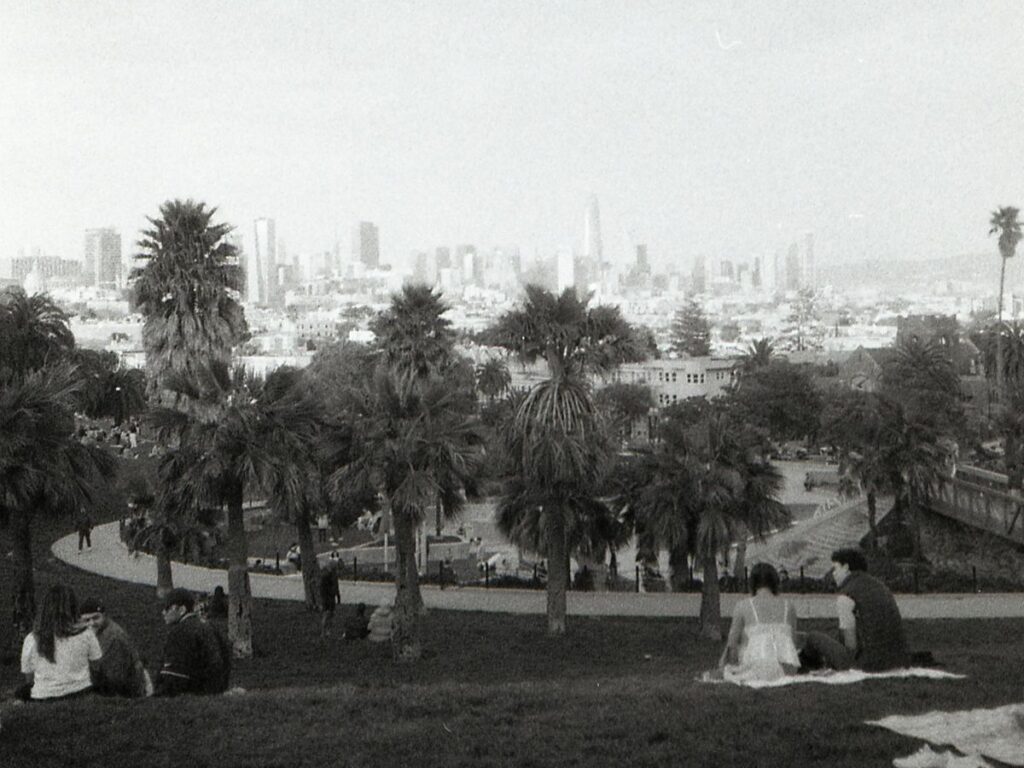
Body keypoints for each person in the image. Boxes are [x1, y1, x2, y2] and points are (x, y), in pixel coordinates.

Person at [799, 548, 909, 672]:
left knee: (812, 637)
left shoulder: (846, 596)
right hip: (898, 660)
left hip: (868, 665)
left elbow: (851, 646)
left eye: (835, 568)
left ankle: (807, 668)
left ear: (846, 567)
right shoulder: (881, 587)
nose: (833, 574)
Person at [718, 563, 800, 684]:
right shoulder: (789, 606)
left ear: (752, 583)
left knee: (741, 638)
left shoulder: (743, 606)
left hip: (755, 664)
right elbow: (793, 642)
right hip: (787, 668)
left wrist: (731, 665)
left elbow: (732, 645)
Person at [18, 584, 102, 701]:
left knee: (21, 692)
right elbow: (96, 666)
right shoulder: (86, 633)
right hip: (81, 691)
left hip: (43, 696)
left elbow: (29, 678)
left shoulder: (31, 639)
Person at [154, 588, 231, 696]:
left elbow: (173, 679)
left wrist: (155, 697)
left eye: (167, 608)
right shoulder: (211, 627)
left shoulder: (180, 632)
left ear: (181, 610)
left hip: (194, 696)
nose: (163, 612)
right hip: (217, 693)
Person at [79, 597, 149, 697]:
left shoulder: (113, 638)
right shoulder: (96, 633)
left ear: (104, 615)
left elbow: (114, 678)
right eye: (86, 620)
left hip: (127, 695)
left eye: (96, 618)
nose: (91, 623)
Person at [319, 560, 341, 638]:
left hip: (331, 597)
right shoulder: (326, 576)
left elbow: (336, 587)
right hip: (327, 598)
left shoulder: (333, 575)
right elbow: (322, 589)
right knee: (327, 614)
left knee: (331, 615)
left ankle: (328, 631)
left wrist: (338, 597)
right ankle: (323, 632)